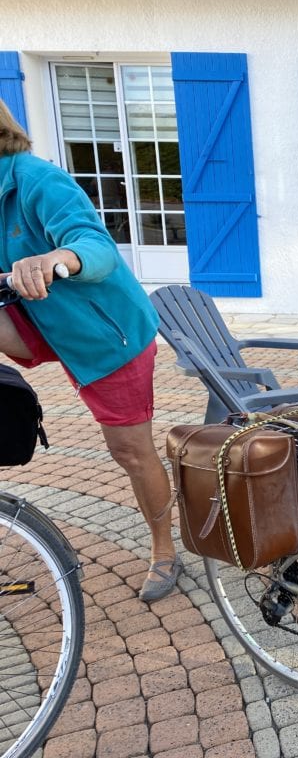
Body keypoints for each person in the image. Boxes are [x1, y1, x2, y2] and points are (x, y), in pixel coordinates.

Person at [0, 97, 180, 602]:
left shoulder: (36, 179)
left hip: (105, 332)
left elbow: (96, 245)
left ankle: (165, 550)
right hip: (37, 320)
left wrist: (60, 256)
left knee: (129, 449)